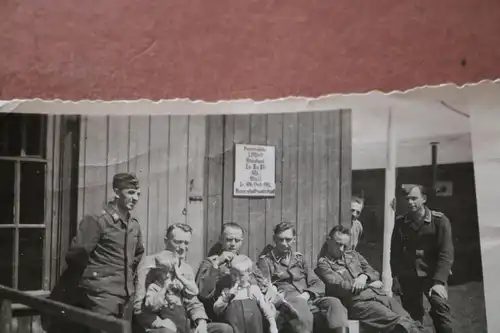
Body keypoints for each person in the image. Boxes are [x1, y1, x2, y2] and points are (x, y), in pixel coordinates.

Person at [43, 173, 145, 333]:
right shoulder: (98, 220)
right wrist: (94, 281)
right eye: (130, 192)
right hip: (99, 298)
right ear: (117, 193)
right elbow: (77, 255)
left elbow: (137, 254)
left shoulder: (134, 226)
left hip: (125, 299)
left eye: (138, 193)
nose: (135, 198)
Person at [316, 225, 424, 333]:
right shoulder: (324, 264)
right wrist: (369, 284)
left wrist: (364, 277)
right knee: (400, 323)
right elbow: (339, 285)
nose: (341, 249)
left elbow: (373, 272)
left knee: (410, 321)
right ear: (328, 241)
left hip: (379, 295)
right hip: (359, 303)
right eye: (338, 244)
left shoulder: (353, 255)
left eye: (344, 245)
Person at [134, 223, 233, 333]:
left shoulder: (186, 268)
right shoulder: (149, 264)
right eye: (177, 242)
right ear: (166, 241)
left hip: (183, 324)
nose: (182, 248)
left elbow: (193, 302)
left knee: (224, 329)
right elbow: (139, 307)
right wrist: (159, 323)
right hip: (159, 326)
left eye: (186, 243)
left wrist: (201, 322)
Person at [257, 222, 349, 333]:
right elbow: (265, 287)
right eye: (280, 239)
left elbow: (317, 283)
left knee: (334, 303)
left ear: (294, 239)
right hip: (288, 301)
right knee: (299, 304)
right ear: (274, 239)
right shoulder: (266, 261)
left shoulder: (299, 259)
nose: (284, 243)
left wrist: (307, 294)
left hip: (309, 297)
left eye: (288, 239)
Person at [390, 184, 454, 333]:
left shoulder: (439, 221)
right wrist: (395, 277)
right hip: (409, 276)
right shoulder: (401, 223)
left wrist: (439, 282)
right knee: (412, 317)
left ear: (424, 199)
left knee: (440, 310)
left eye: (414, 198)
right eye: (407, 199)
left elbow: (446, 253)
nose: (410, 202)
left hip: (433, 276)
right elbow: (395, 253)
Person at [195, 222, 270, 322]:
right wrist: (217, 264)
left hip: (249, 308)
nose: (233, 244)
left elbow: (263, 285)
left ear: (241, 241)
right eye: (229, 240)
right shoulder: (209, 263)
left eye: (237, 240)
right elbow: (203, 293)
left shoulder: (246, 262)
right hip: (223, 311)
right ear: (221, 240)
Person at [213, 254, 279, 333]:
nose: (237, 278)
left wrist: (272, 324)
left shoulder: (254, 289)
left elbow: (265, 307)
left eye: (241, 275)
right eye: (234, 275)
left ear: (249, 275)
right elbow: (216, 309)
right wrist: (226, 298)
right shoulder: (227, 291)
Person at [142, 252, 200, 333]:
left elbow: (195, 291)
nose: (168, 275)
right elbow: (152, 305)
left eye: (171, 272)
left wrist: (180, 277)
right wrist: (164, 288)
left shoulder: (176, 284)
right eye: (164, 271)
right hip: (167, 326)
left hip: (183, 325)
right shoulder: (154, 287)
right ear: (157, 272)